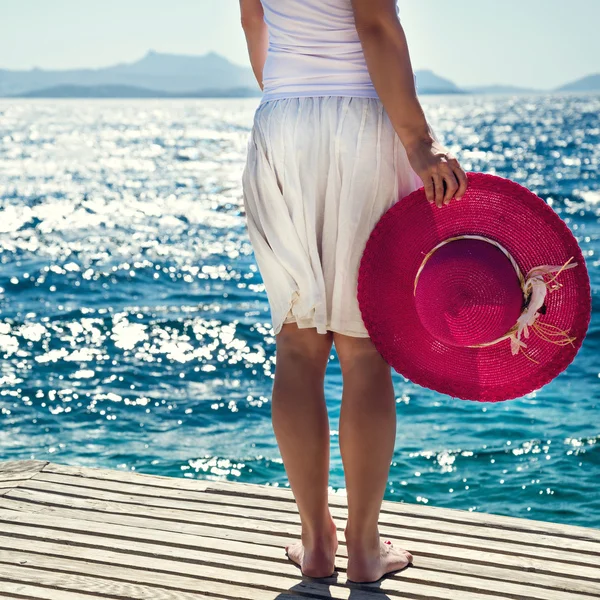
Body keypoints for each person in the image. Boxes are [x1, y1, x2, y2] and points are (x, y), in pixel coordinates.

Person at [239, 0, 468, 584]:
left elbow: (252, 18)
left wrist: (292, 96)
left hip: (281, 121)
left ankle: (316, 543)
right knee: (363, 348)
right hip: (360, 121)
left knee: (296, 345)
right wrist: (418, 141)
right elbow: (374, 20)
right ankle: (364, 550)